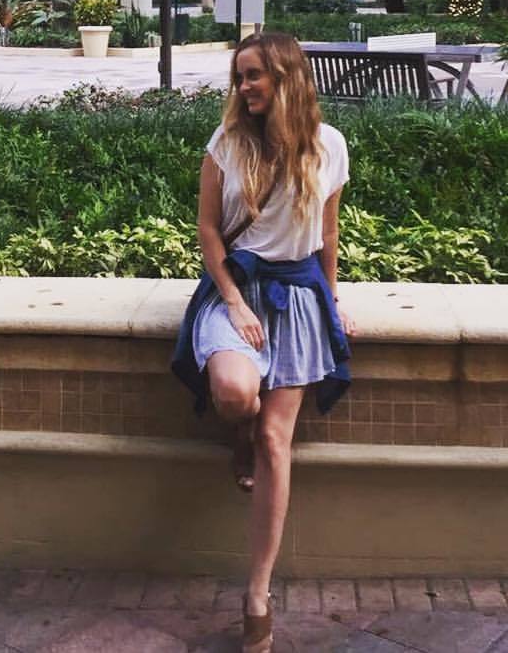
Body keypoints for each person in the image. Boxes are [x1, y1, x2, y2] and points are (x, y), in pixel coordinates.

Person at [172, 32, 355, 653]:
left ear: (286, 77)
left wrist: (332, 301)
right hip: (238, 289)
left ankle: (257, 594)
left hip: (297, 298)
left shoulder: (330, 146)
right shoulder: (226, 143)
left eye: (254, 75)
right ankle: (240, 433)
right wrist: (231, 299)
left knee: (279, 441)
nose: (243, 86)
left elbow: (327, 235)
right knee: (233, 392)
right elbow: (207, 229)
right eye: (240, 76)